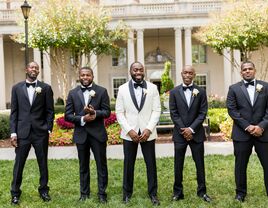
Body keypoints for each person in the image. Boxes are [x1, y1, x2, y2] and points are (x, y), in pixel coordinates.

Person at [115, 61, 161, 206]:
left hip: (148, 133)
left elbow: (156, 110)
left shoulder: (153, 88)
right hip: (129, 134)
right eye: (135, 70)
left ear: (144, 71)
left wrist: (148, 129)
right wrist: (130, 131)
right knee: (129, 164)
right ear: (130, 71)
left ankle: (153, 194)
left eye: (141, 70)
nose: (138, 72)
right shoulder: (122, 89)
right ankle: (127, 194)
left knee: (151, 164)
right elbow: (119, 112)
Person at [10, 61, 54, 205]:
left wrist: (48, 128)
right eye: (31, 67)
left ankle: (44, 191)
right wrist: (13, 133)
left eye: (36, 67)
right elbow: (14, 112)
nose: (33, 69)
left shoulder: (45, 88)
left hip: (40, 133)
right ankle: (15, 193)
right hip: (22, 133)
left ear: (38, 71)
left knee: (43, 163)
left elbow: (50, 111)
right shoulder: (16, 88)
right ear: (26, 69)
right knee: (19, 164)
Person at [65, 66, 110, 203]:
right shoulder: (73, 93)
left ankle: (102, 194)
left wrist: (94, 113)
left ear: (92, 76)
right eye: (83, 75)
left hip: (97, 134)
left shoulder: (102, 91)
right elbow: (67, 115)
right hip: (81, 134)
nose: (85, 77)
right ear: (79, 76)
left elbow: (107, 112)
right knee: (83, 165)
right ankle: (84, 193)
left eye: (88, 75)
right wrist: (83, 119)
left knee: (101, 165)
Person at [227, 61, 268, 202]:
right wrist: (248, 127)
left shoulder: (266, 87)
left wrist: (261, 126)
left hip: (264, 133)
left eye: (250, 68)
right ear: (241, 72)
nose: (247, 71)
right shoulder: (233, 88)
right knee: (240, 165)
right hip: (241, 133)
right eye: (245, 69)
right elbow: (232, 110)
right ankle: (240, 194)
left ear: (254, 70)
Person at [169, 65, 211, 203]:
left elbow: (202, 112)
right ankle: (178, 192)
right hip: (179, 134)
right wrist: (183, 129)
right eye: (185, 72)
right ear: (181, 74)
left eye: (190, 73)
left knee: (200, 164)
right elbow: (174, 113)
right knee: (178, 164)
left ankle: (202, 191)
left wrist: (191, 129)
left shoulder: (201, 91)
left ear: (194, 75)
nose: (187, 75)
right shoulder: (174, 92)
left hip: (196, 134)